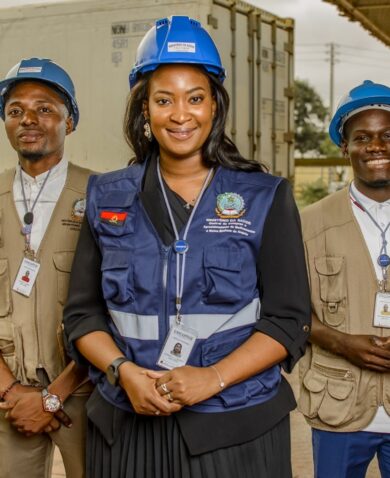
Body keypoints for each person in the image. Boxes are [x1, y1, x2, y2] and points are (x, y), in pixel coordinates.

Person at [64, 16, 311, 478]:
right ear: (144, 110)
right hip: (127, 425)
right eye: (164, 100)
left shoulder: (264, 197)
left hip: (236, 428)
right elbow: (82, 314)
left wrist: (211, 379)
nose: (181, 115)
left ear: (215, 107)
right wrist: (122, 371)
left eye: (195, 98)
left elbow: (289, 320)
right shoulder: (106, 196)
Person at [0, 58, 93, 478]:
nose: (28, 119)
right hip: (8, 396)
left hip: (84, 390)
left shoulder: (103, 195)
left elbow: (119, 306)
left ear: (69, 122)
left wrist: (53, 397)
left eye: (45, 108)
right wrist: (11, 391)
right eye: (15, 110)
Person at [299, 80, 390, 478]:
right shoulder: (309, 224)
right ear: (344, 146)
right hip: (338, 404)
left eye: (388, 136)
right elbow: (286, 310)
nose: (376, 146)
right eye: (362, 137)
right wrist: (340, 342)